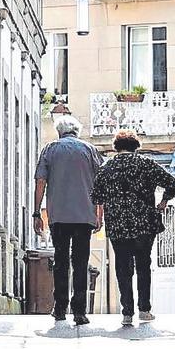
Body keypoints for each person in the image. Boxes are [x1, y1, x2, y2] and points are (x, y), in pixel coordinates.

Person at [91, 129, 175, 326]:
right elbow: (171, 183)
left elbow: (96, 196)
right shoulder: (145, 164)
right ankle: (144, 309)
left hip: (118, 225)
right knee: (143, 266)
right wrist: (164, 201)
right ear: (136, 147)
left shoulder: (106, 168)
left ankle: (127, 312)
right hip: (144, 224)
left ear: (116, 147)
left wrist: (106, 210)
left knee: (122, 268)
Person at [33, 114, 103, 325]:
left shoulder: (50, 149)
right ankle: (80, 311)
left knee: (61, 261)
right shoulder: (90, 150)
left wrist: (37, 212)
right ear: (76, 132)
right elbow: (100, 184)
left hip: (59, 215)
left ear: (59, 132)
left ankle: (60, 308)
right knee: (81, 262)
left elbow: (40, 181)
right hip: (84, 216)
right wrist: (99, 213)